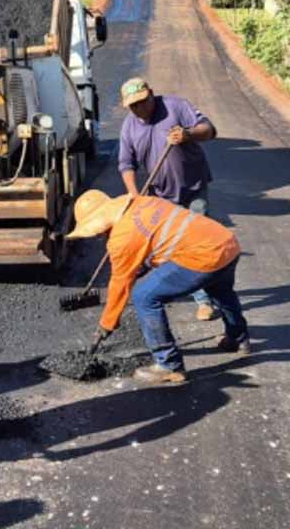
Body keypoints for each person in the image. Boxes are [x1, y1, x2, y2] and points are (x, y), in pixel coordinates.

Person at [68, 189, 249, 385]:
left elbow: (120, 283)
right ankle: (238, 338)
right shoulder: (142, 202)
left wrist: (107, 323)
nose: (95, 237)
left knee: (144, 296)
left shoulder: (121, 239)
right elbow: (155, 238)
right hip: (225, 242)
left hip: (202, 255)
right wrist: (140, 266)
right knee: (221, 291)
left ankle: (168, 365)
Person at [117, 77, 219, 321]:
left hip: (193, 188)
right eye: (133, 106)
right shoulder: (129, 127)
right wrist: (134, 196)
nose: (139, 109)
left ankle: (205, 300)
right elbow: (126, 164)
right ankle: (174, 288)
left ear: (151, 94)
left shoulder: (175, 107)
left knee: (196, 243)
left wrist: (188, 134)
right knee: (171, 246)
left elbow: (210, 130)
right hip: (161, 196)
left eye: (142, 102)